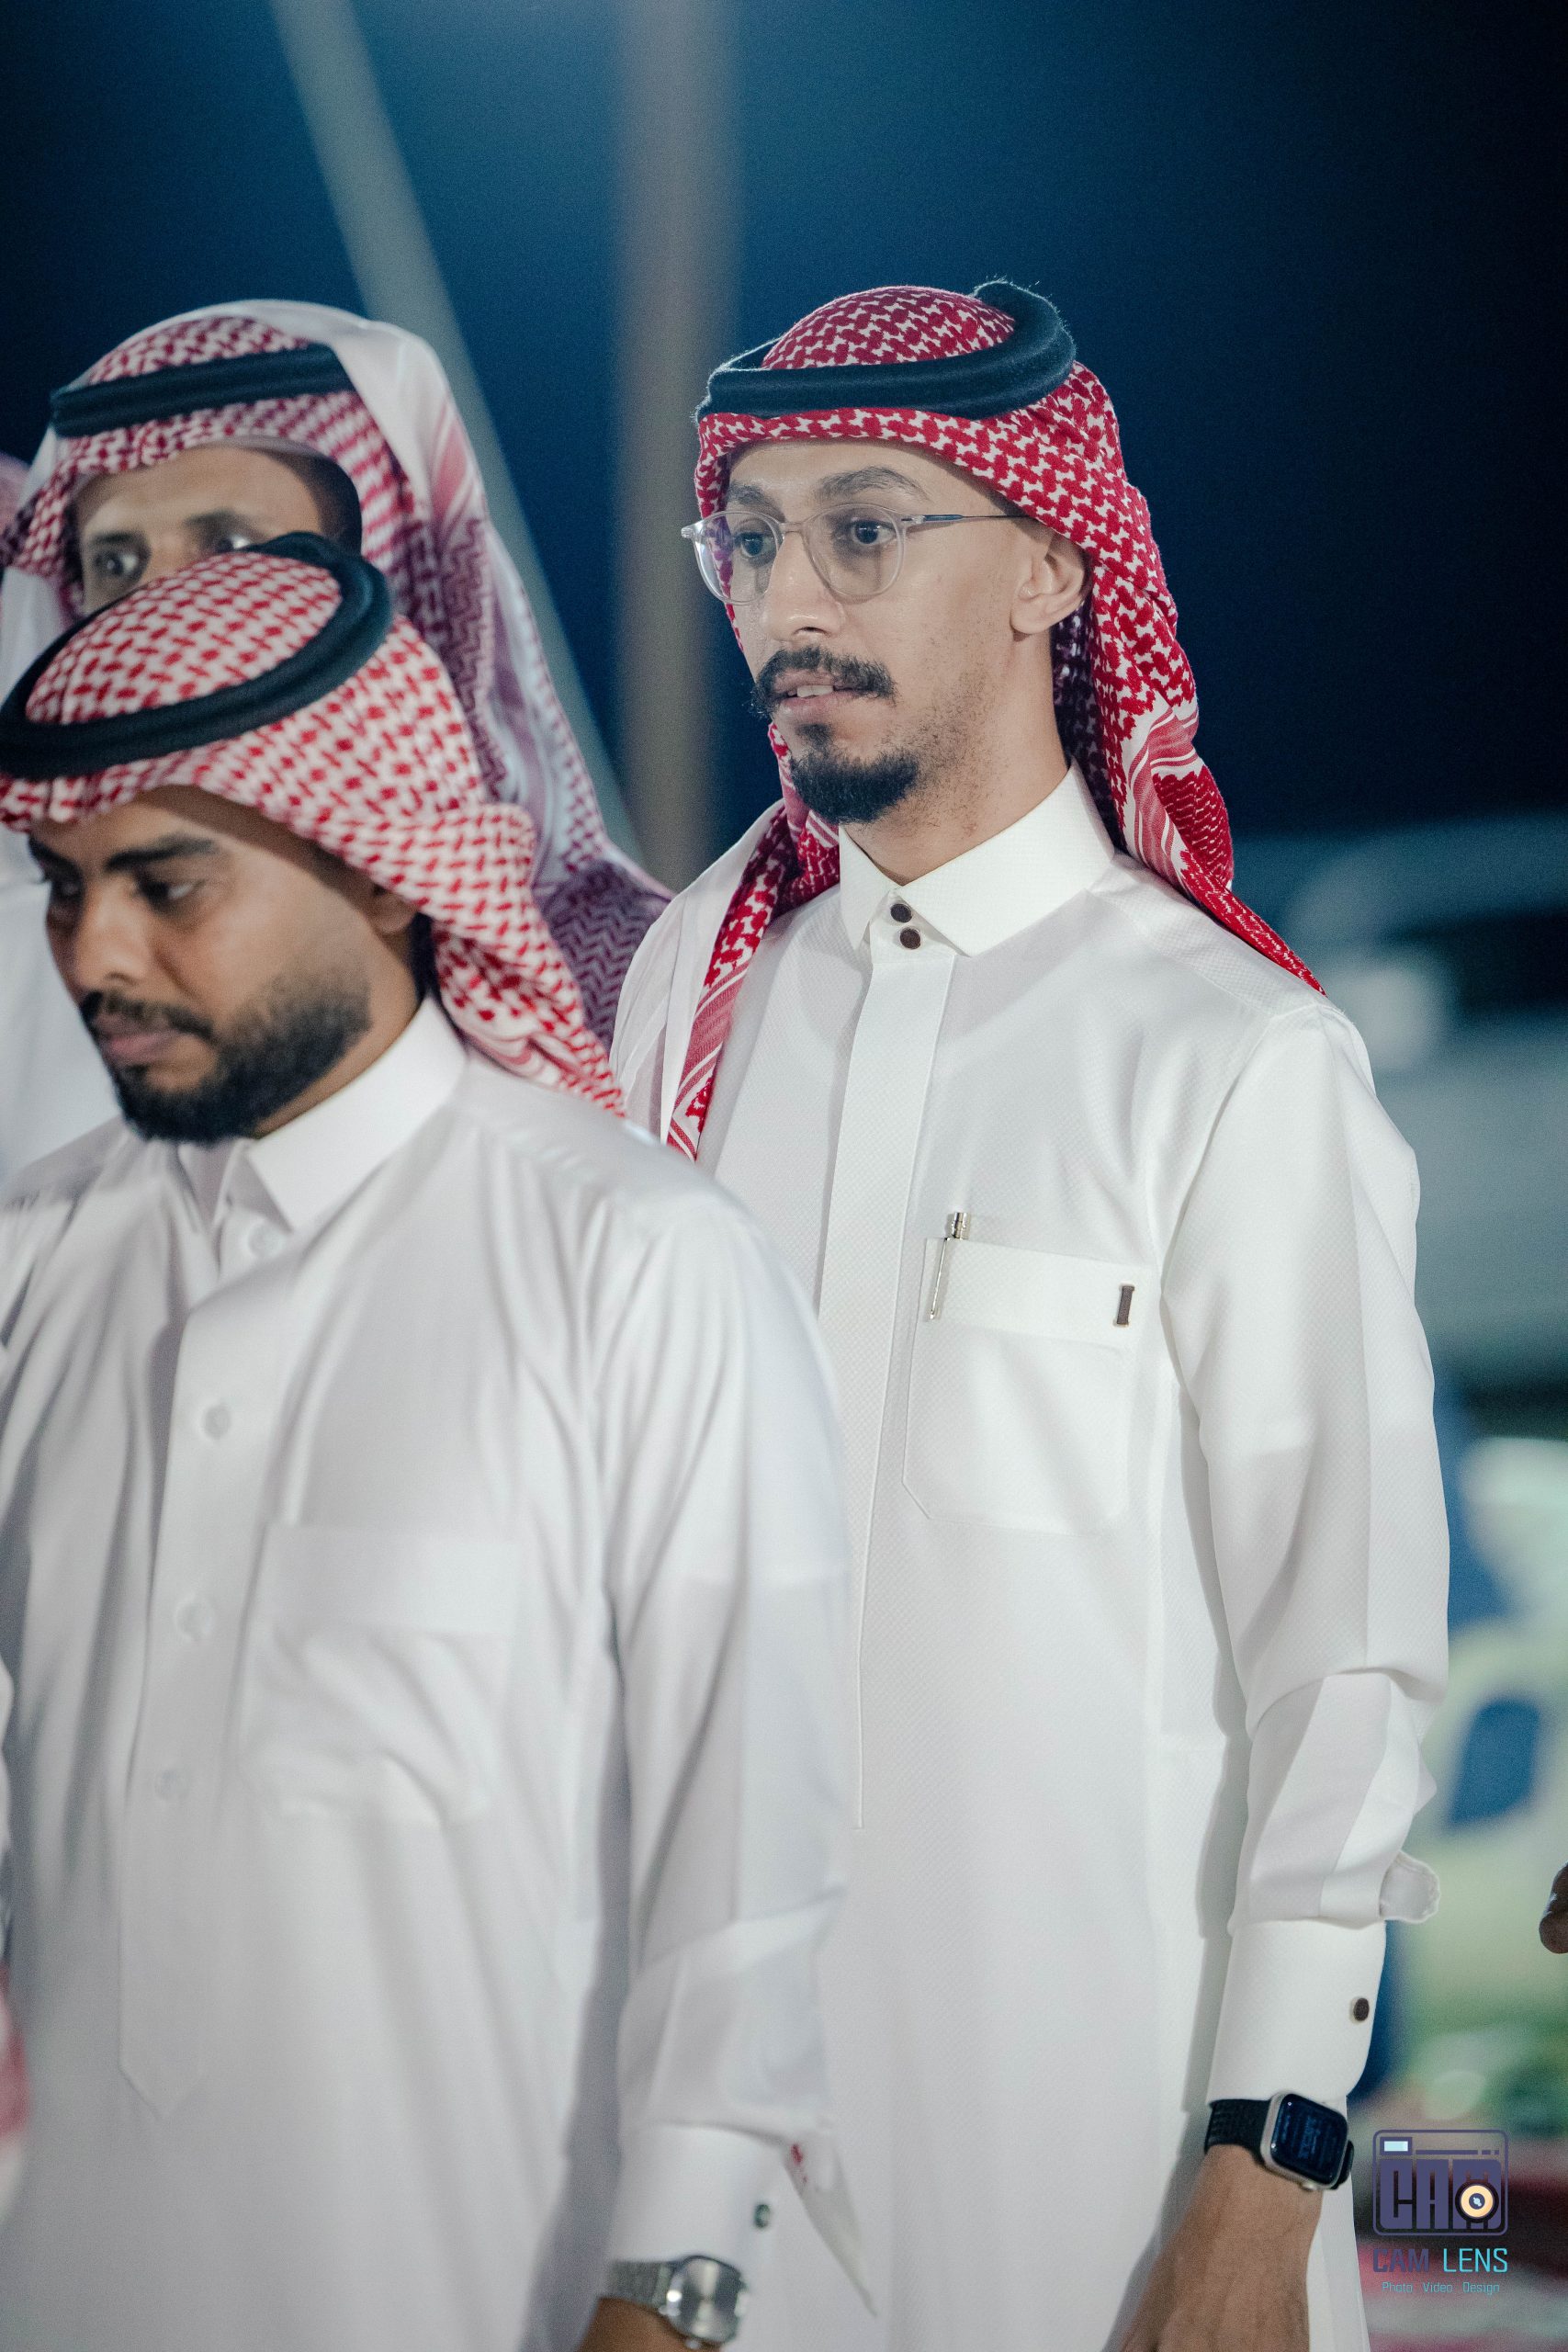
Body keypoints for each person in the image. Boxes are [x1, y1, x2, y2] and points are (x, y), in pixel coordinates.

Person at [613, 280, 1450, 2352]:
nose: (789, 601)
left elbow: (1342, 1669)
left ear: (1052, 566)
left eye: (863, 530)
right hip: (701, 2183)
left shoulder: (1229, 1057)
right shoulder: (692, 1010)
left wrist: (1264, 2167)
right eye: (751, 540)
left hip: (1102, 2176)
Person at [0, 535, 853, 2352]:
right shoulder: (32, 1264)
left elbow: (751, 1872)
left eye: (166, 884)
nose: (96, 954)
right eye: (62, 888)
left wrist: (671, 2291)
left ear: (384, 869)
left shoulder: (635, 1264)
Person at [0, 300, 665, 1180]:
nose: (167, 601)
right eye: (116, 563)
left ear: (384, 576)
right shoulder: (37, 949)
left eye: (232, 549)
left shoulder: (642, 970)